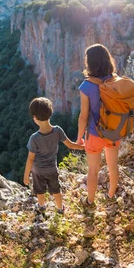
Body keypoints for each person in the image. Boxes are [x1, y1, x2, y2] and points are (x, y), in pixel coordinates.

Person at [77, 44, 121, 210]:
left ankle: (90, 201)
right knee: (112, 166)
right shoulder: (116, 81)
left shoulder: (86, 87)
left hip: (94, 134)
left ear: (90, 63)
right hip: (114, 131)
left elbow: (83, 116)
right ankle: (111, 195)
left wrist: (79, 136)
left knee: (93, 170)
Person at [24, 97, 84, 216]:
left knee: (40, 191)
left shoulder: (34, 138)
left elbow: (30, 159)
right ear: (51, 113)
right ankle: (60, 209)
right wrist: (84, 147)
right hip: (52, 169)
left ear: (35, 118)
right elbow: (70, 145)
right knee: (56, 190)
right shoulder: (57, 131)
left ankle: (41, 207)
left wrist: (26, 176)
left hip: (38, 171)